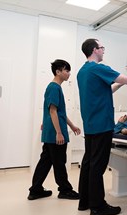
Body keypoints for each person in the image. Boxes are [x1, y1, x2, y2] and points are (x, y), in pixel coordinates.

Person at [76, 38, 127, 215]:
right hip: (102, 125)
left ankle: (85, 201)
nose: (104, 50)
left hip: (90, 125)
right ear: (95, 50)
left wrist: (120, 81)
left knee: (88, 163)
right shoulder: (99, 68)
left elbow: (105, 90)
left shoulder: (83, 72)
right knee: (98, 166)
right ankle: (98, 206)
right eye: (102, 47)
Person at [28, 59, 81, 201]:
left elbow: (58, 112)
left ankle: (35, 190)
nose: (69, 73)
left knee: (46, 161)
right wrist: (59, 132)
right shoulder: (54, 88)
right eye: (66, 70)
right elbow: (52, 111)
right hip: (55, 133)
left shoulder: (55, 88)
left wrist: (72, 126)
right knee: (59, 162)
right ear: (58, 72)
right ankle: (65, 190)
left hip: (52, 131)